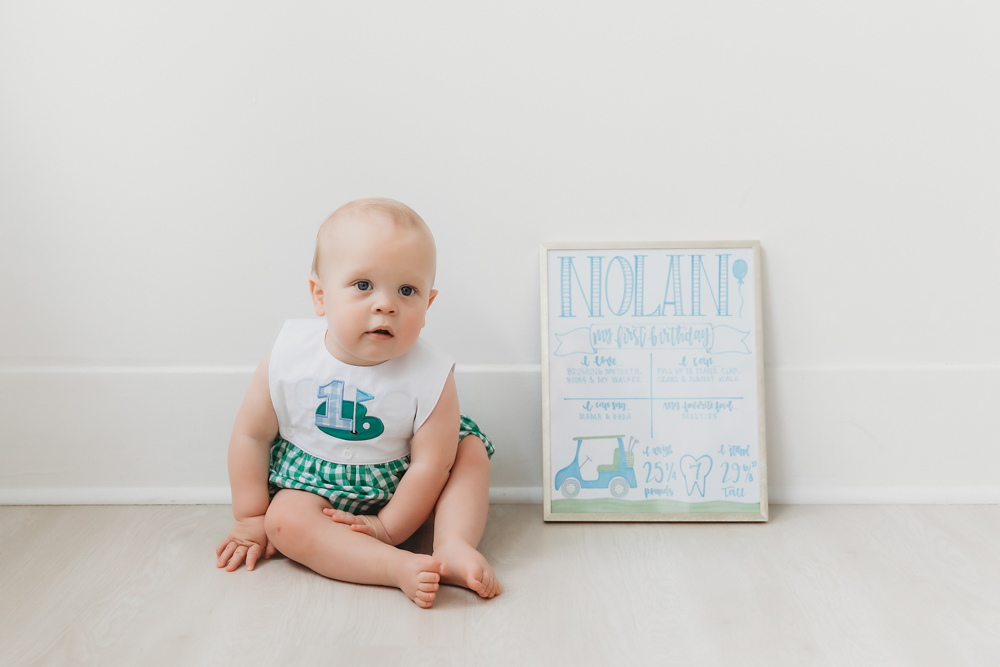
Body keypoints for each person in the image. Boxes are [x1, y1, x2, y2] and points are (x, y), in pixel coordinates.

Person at [214, 198, 501, 608]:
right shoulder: (290, 355)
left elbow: (430, 465)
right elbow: (251, 435)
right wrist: (250, 518)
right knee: (285, 520)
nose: (386, 304)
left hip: (408, 483)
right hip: (313, 484)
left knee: (469, 450)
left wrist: (389, 526)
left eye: (407, 290)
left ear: (427, 306)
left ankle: (452, 544)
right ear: (320, 296)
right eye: (363, 285)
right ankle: (391, 567)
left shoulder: (432, 372)